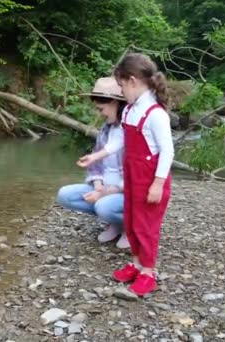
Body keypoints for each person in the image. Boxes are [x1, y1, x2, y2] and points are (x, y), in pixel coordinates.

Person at [79, 53, 174, 296]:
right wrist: (96, 156)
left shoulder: (155, 113)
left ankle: (148, 272)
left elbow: (167, 151)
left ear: (132, 81)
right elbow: (120, 139)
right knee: (131, 222)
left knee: (146, 226)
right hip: (132, 176)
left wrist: (158, 184)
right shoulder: (131, 110)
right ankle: (136, 263)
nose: (121, 92)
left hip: (150, 178)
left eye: (121, 86)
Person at [56, 77, 129, 249]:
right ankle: (116, 224)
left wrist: (104, 193)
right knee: (64, 195)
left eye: (101, 109)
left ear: (116, 103)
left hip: (127, 192)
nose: (100, 114)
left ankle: (131, 228)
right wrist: (97, 186)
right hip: (105, 189)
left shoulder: (131, 130)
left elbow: (134, 177)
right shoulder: (106, 129)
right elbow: (95, 163)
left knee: (103, 206)